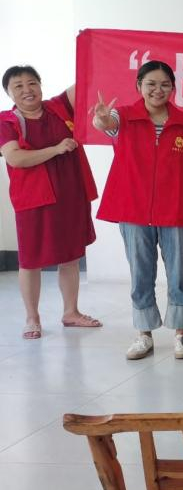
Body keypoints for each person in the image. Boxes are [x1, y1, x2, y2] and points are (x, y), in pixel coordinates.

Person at [93, 60, 183, 360]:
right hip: (133, 209)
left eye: (165, 84)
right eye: (151, 84)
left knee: (179, 274)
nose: (158, 90)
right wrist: (102, 120)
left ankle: (181, 335)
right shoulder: (123, 116)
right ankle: (143, 334)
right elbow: (106, 124)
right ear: (139, 86)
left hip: (176, 209)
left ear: (173, 88)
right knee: (141, 273)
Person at [1, 66, 100, 339]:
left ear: (41, 85)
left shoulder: (58, 107)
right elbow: (16, 158)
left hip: (69, 195)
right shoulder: (6, 121)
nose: (27, 89)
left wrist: (98, 48)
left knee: (70, 256)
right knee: (30, 260)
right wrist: (56, 150)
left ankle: (71, 312)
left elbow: (87, 80)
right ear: (9, 92)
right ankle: (32, 318)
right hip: (33, 199)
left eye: (32, 83)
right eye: (18, 86)